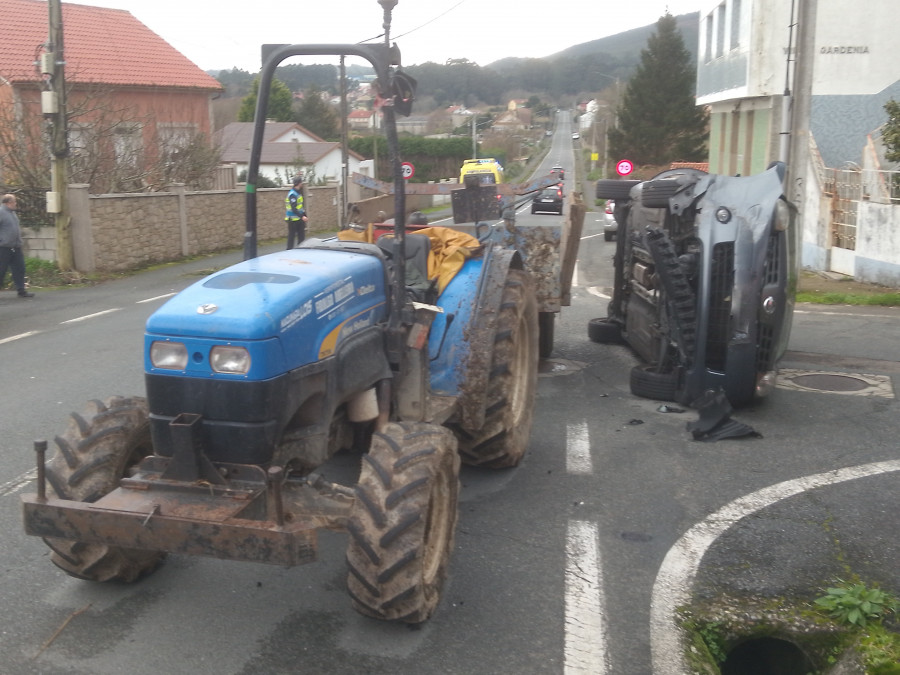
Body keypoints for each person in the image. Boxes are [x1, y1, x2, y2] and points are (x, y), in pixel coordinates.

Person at [0, 194, 34, 298]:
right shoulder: (1, 212)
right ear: (8, 203)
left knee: (20, 268)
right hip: (4, 247)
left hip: (16, 247)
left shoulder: (13, 213)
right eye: (14, 201)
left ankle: (21, 290)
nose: (16, 204)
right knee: (1, 270)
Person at [284, 176, 308, 249]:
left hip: (299, 219)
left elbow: (300, 207)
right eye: (301, 182)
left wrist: (304, 215)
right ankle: (289, 251)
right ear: (299, 183)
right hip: (292, 219)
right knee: (291, 237)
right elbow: (294, 208)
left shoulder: (298, 193)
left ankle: (300, 250)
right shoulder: (292, 194)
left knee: (301, 237)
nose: (302, 184)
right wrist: (302, 216)